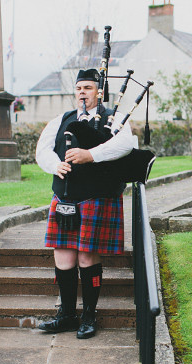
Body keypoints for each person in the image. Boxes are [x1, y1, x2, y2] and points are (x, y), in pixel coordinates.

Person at [35, 68, 136, 339]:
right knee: (63, 256)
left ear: (99, 92)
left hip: (96, 197)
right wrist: (55, 165)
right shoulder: (62, 119)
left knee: (86, 256)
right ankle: (66, 314)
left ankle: (89, 316)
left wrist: (90, 154)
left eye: (88, 88)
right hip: (65, 196)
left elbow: (125, 145)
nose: (82, 93)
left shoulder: (113, 121)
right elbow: (42, 149)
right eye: (79, 88)